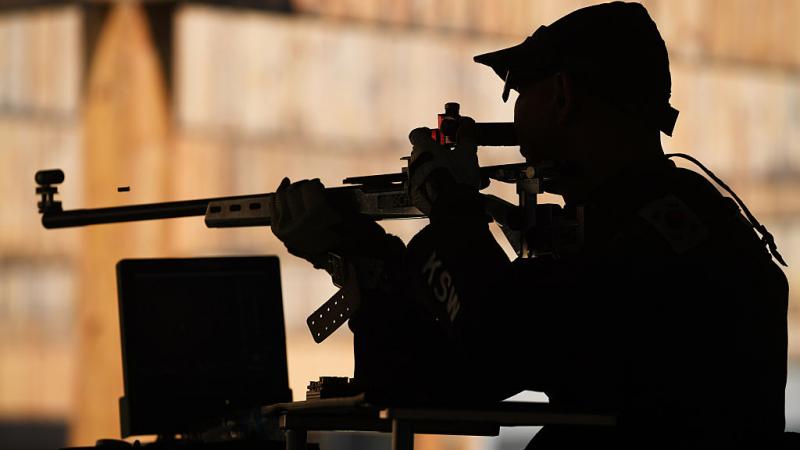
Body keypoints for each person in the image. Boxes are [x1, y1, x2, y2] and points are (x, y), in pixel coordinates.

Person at [270, 3, 789, 449]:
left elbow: (493, 337)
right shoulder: (671, 220)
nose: (517, 124)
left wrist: (450, 207)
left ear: (561, 95)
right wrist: (361, 260)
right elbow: (430, 381)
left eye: (520, 92)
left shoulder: (647, 239)